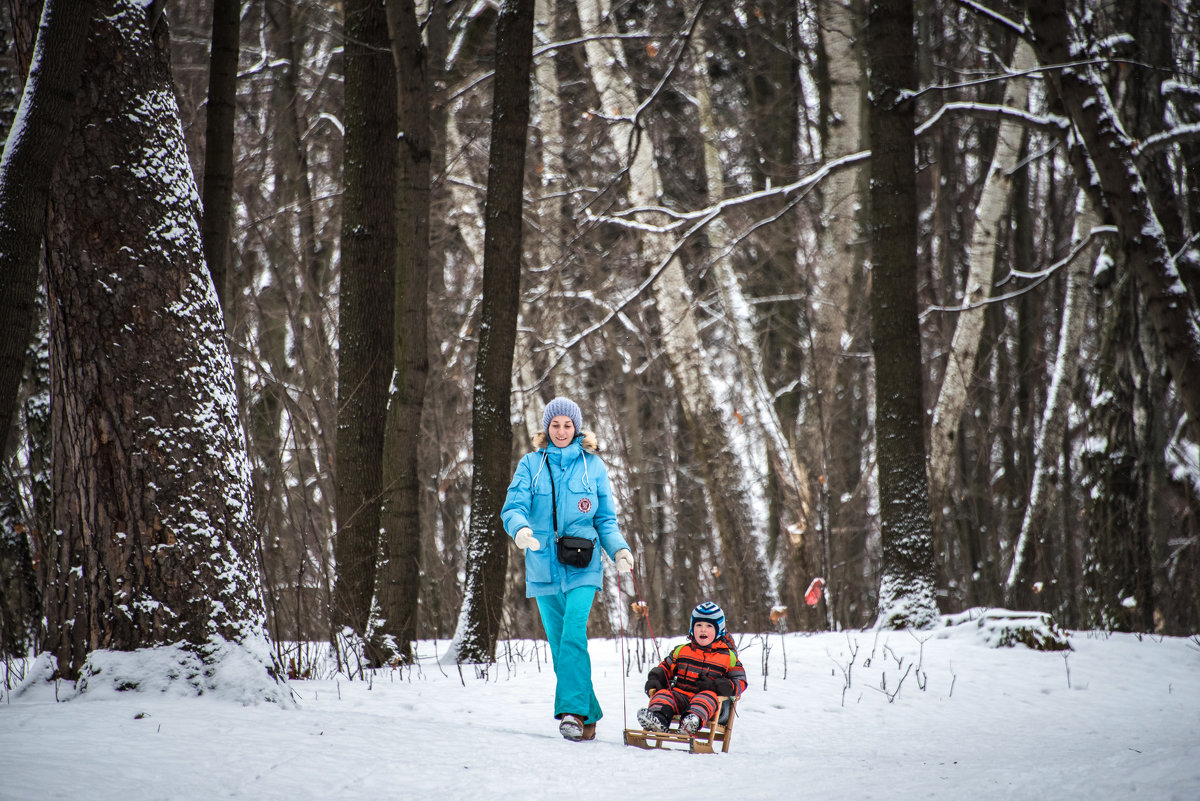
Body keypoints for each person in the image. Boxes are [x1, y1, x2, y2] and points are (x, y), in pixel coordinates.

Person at [502, 396, 635, 742]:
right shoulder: (530, 464)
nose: (561, 431)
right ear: (546, 428)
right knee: (560, 643)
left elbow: (605, 519)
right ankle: (588, 714)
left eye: (567, 425)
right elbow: (513, 506)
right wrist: (520, 530)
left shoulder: (594, 466)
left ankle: (572, 714)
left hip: (584, 565)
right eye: (555, 424)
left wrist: (619, 549)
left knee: (573, 633)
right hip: (542, 564)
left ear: (577, 428)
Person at [636, 601, 747, 735]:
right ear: (692, 628)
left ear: (719, 630)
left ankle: (691, 722)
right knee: (664, 694)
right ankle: (658, 719)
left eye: (709, 626)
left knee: (706, 697)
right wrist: (656, 677)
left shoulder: (728, 657)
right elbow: (665, 667)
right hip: (680, 696)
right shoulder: (681, 651)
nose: (703, 629)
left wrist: (716, 686)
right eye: (698, 625)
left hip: (709, 706)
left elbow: (741, 681)